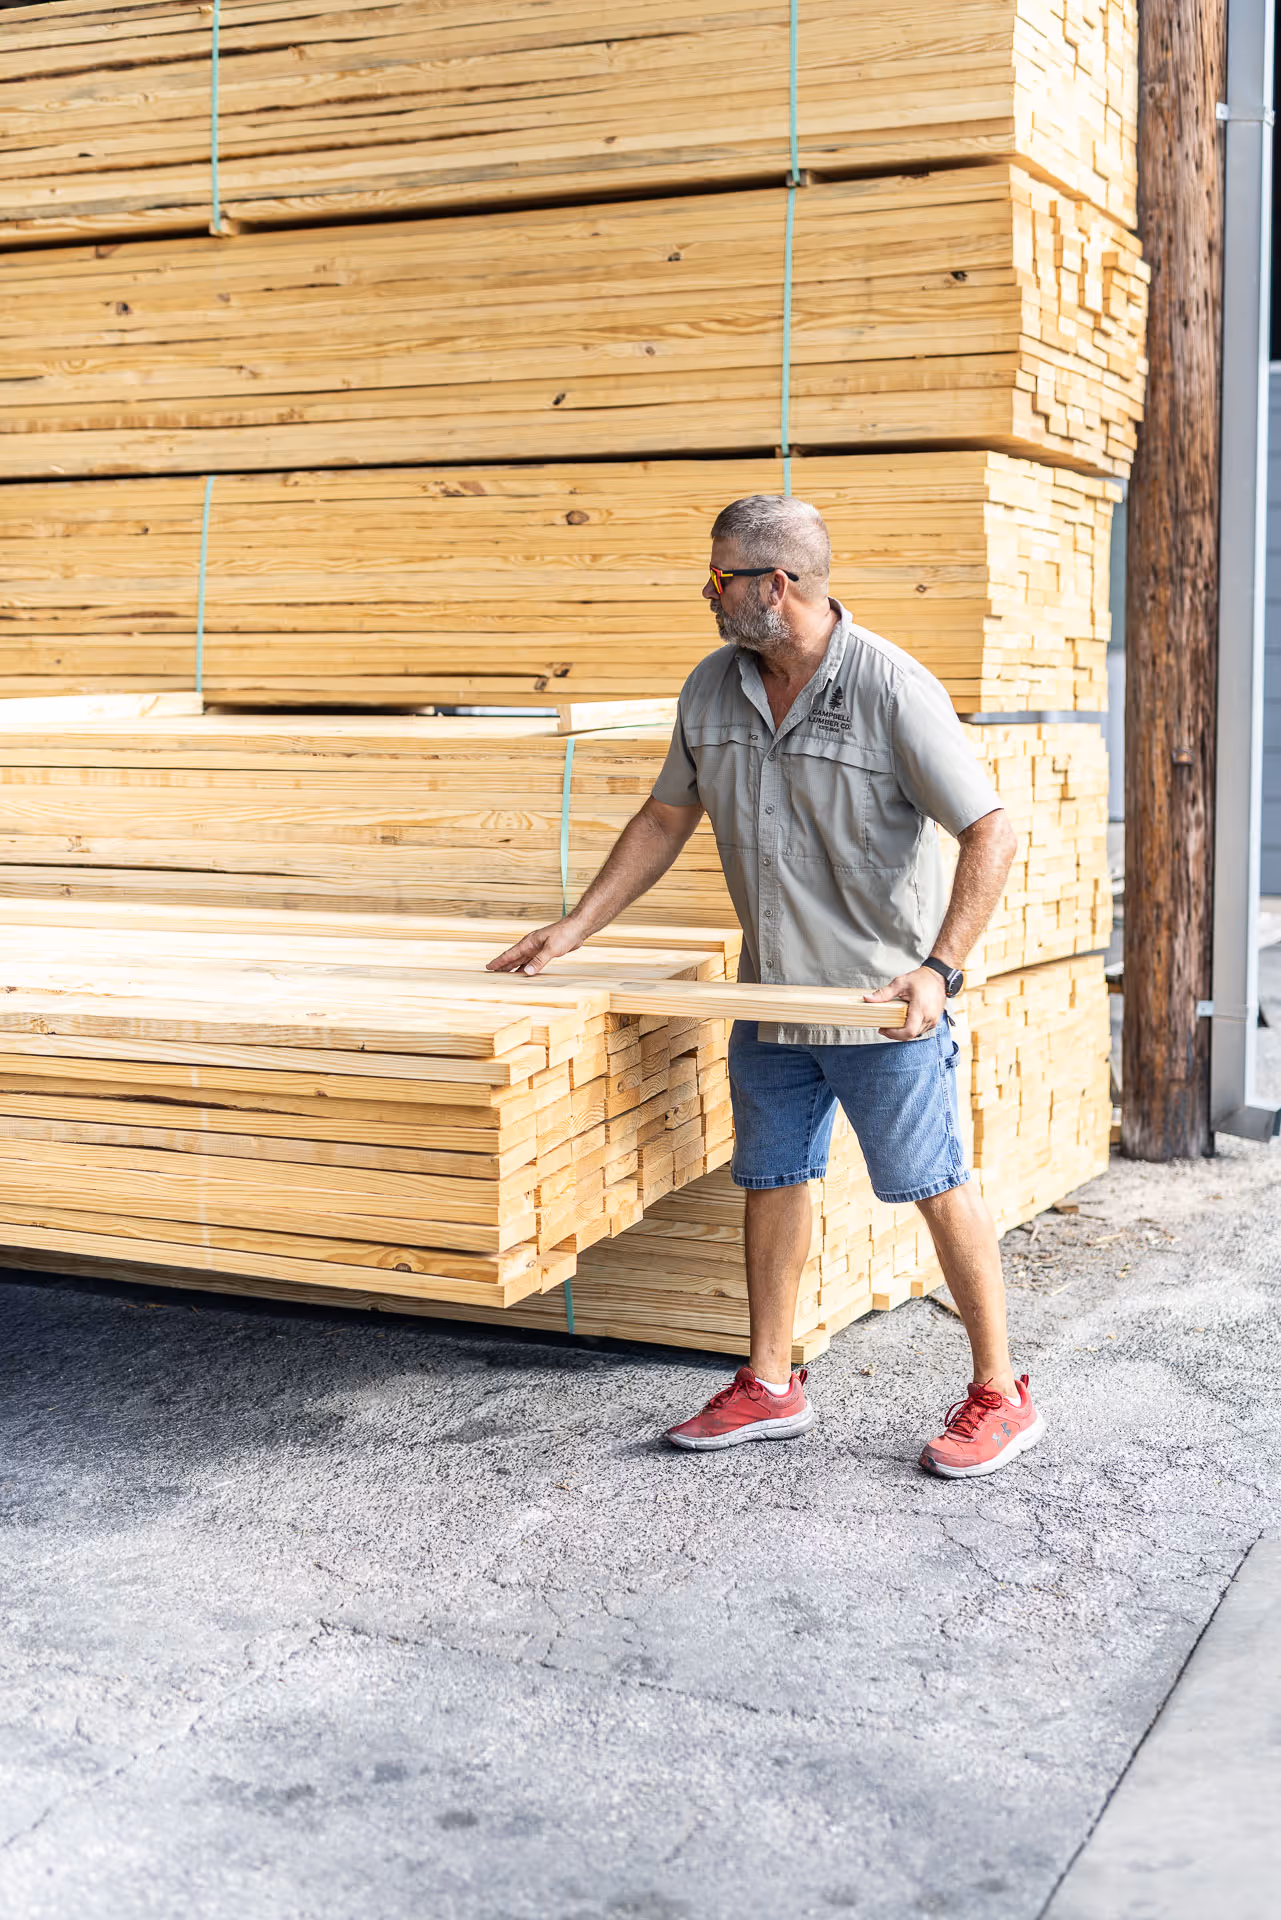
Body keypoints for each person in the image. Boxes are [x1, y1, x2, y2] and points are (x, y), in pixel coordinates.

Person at [489, 495, 1043, 1478]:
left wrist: (938, 970)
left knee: (934, 1183)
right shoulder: (713, 687)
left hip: (879, 1006)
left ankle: (1001, 1391)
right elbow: (666, 818)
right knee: (773, 1179)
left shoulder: (889, 689)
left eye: (720, 578)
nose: (709, 595)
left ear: (775, 586)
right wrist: (573, 928)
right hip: (769, 996)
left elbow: (992, 828)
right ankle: (772, 1380)